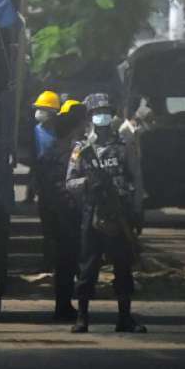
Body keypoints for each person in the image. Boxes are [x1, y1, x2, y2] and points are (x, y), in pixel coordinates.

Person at [66, 93, 146, 333]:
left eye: (107, 112)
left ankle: (124, 318)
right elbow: (70, 182)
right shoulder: (82, 149)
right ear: (90, 117)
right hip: (93, 213)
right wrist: (88, 184)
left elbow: (137, 179)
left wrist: (137, 211)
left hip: (120, 212)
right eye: (98, 112)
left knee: (123, 266)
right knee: (88, 267)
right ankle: (82, 317)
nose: (103, 117)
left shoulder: (124, 146)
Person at [39, 99, 88, 320]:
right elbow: (57, 187)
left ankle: (66, 304)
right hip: (67, 216)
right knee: (70, 261)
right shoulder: (68, 151)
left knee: (66, 262)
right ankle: (66, 306)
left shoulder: (53, 149)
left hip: (57, 215)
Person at [31, 90, 61, 266]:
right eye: (38, 109)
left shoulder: (59, 131)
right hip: (43, 180)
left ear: (53, 113)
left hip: (57, 180)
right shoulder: (35, 131)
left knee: (59, 225)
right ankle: (48, 260)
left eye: (43, 109)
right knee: (47, 225)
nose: (39, 112)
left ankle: (57, 259)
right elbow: (34, 157)